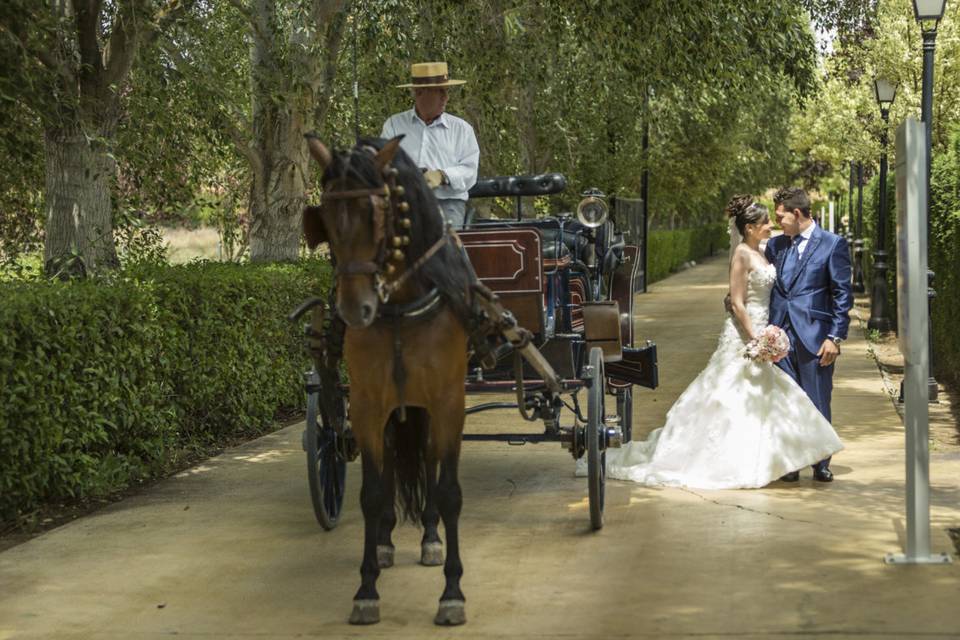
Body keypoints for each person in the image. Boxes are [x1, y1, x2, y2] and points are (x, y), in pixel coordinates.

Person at [590, 196, 843, 490]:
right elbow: (736, 301)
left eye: (776, 219)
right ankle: (765, 461)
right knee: (734, 394)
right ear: (749, 228)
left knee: (786, 397)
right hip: (750, 335)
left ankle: (803, 460)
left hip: (777, 330)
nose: (771, 226)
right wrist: (756, 339)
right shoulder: (745, 253)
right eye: (765, 223)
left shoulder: (768, 250)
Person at [766, 186, 853, 482]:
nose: (778, 222)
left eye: (781, 216)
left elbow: (842, 294)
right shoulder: (775, 246)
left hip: (815, 335)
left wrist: (835, 338)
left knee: (817, 400)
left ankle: (820, 462)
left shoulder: (832, 244)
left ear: (798, 213)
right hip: (778, 335)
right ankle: (791, 463)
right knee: (785, 401)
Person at [381, 61, 480, 229]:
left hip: (448, 204)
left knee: (449, 248)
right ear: (419, 93)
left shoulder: (461, 129)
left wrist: (442, 175)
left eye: (446, 91)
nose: (446, 97)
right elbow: (383, 163)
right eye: (440, 91)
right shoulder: (394, 125)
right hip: (404, 203)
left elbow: (470, 171)